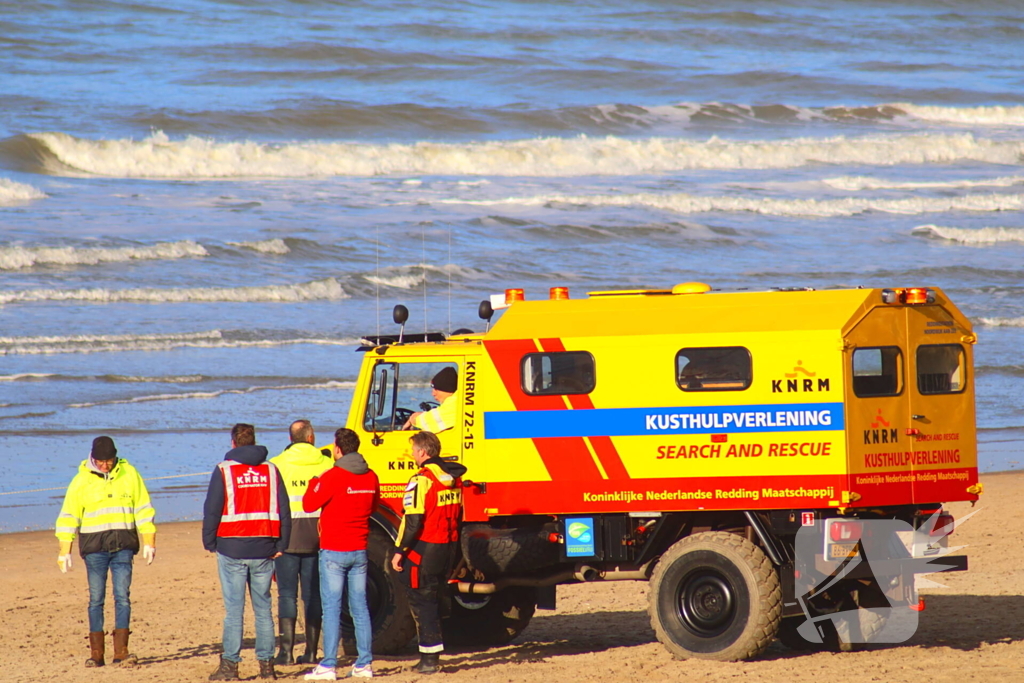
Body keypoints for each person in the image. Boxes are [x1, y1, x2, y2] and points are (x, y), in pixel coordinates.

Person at [55, 435, 156, 668]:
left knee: (122, 598)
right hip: (94, 549)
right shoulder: (81, 480)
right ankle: (96, 654)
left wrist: (149, 540)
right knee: (95, 600)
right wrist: (64, 549)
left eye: (109, 461)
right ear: (93, 458)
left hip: (123, 546)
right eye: (100, 462)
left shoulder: (130, 475)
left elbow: (143, 508)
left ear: (115, 457)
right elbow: (69, 515)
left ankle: (121, 651)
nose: (105, 465)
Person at [203, 423, 292, 681]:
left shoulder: (224, 470)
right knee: (263, 609)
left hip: (232, 547)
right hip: (264, 547)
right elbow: (284, 510)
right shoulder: (272, 470)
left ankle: (230, 665)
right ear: (253, 442)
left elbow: (212, 508)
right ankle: (267, 667)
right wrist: (282, 544)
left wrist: (209, 541)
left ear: (233, 443)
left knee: (234, 610)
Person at [301, 428, 380, 681]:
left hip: (335, 550)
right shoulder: (371, 476)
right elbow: (374, 505)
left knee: (332, 608)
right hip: (359, 549)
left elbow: (308, 503)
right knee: (360, 607)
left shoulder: (333, 475)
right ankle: (364, 663)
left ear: (337, 449)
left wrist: (315, 481)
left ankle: (328, 665)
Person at [390, 431, 466, 674]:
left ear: (422, 452)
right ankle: (433, 653)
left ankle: (430, 659)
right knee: (435, 596)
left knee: (422, 600)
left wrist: (399, 551)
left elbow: (412, 521)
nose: (412, 454)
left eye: (413, 450)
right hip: (448, 546)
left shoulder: (421, 479)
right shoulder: (454, 478)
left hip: (426, 547)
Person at [270, 419, 333, 665]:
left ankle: (285, 653)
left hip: (286, 537)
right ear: (311, 438)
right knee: (313, 596)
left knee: (287, 595)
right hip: (318, 536)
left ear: (290, 439)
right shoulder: (328, 463)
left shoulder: (276, 464)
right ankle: (311, 652)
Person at [402, 367, 458, 432]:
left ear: (448, 390)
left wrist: (414, 418)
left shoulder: (456, 403)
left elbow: (430, 421)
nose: (433, 394)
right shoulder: (455, 401)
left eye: (436, 389)